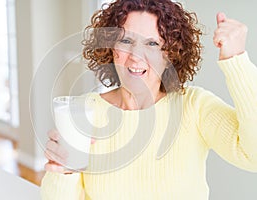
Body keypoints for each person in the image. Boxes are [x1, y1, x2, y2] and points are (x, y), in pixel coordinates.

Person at [41, 0, 257, 199]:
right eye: (126, 40)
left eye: (152, 44)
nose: (136, 56)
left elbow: (253, 156)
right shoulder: (84, 111)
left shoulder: (195, 106)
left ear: (170, 54)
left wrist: (236, 61)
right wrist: (64, 171)